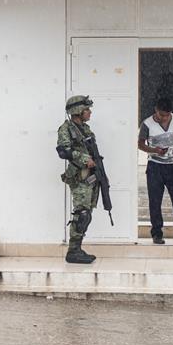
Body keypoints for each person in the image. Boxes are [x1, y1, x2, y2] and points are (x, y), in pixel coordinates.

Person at [137, 97, 173, 245]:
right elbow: (140, 144)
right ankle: (157, 233)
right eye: (162, 115)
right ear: (156, 110)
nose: (164, 118)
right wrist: (153, 150)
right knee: (155, 201)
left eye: (167, 115)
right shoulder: (147, 123)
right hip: (155, 166)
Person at [56, 95, 102, 264]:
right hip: (79, 176)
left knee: (87, 213)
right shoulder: (66, 128)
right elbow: (63, 151)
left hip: (90, 176)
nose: (89, 112)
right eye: (86, 110)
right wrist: (84, 160)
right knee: (82, 214)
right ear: (77, 111)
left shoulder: (85, 129)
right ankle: (73, 251)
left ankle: (77, 248)